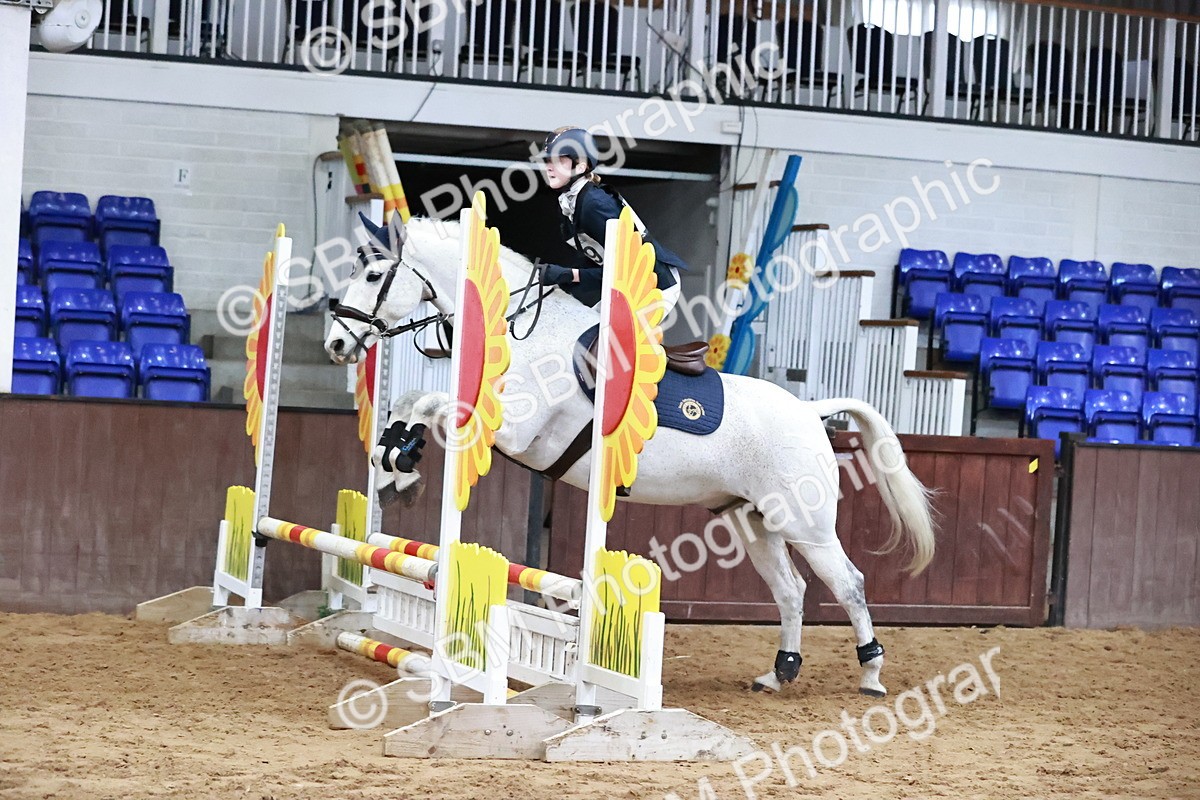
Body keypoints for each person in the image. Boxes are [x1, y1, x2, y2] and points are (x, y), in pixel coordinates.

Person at [536, 126, 688, 316]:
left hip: (655, 285)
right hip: (625, 283)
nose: (549, 166)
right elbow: (597, 261)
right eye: (547, 160)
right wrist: (564, 280)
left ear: (581, 166)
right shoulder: (570, 203)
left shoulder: (594, 205)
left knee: (608, 340)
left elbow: (626, 268)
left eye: (559, 160)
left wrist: (570, 275)